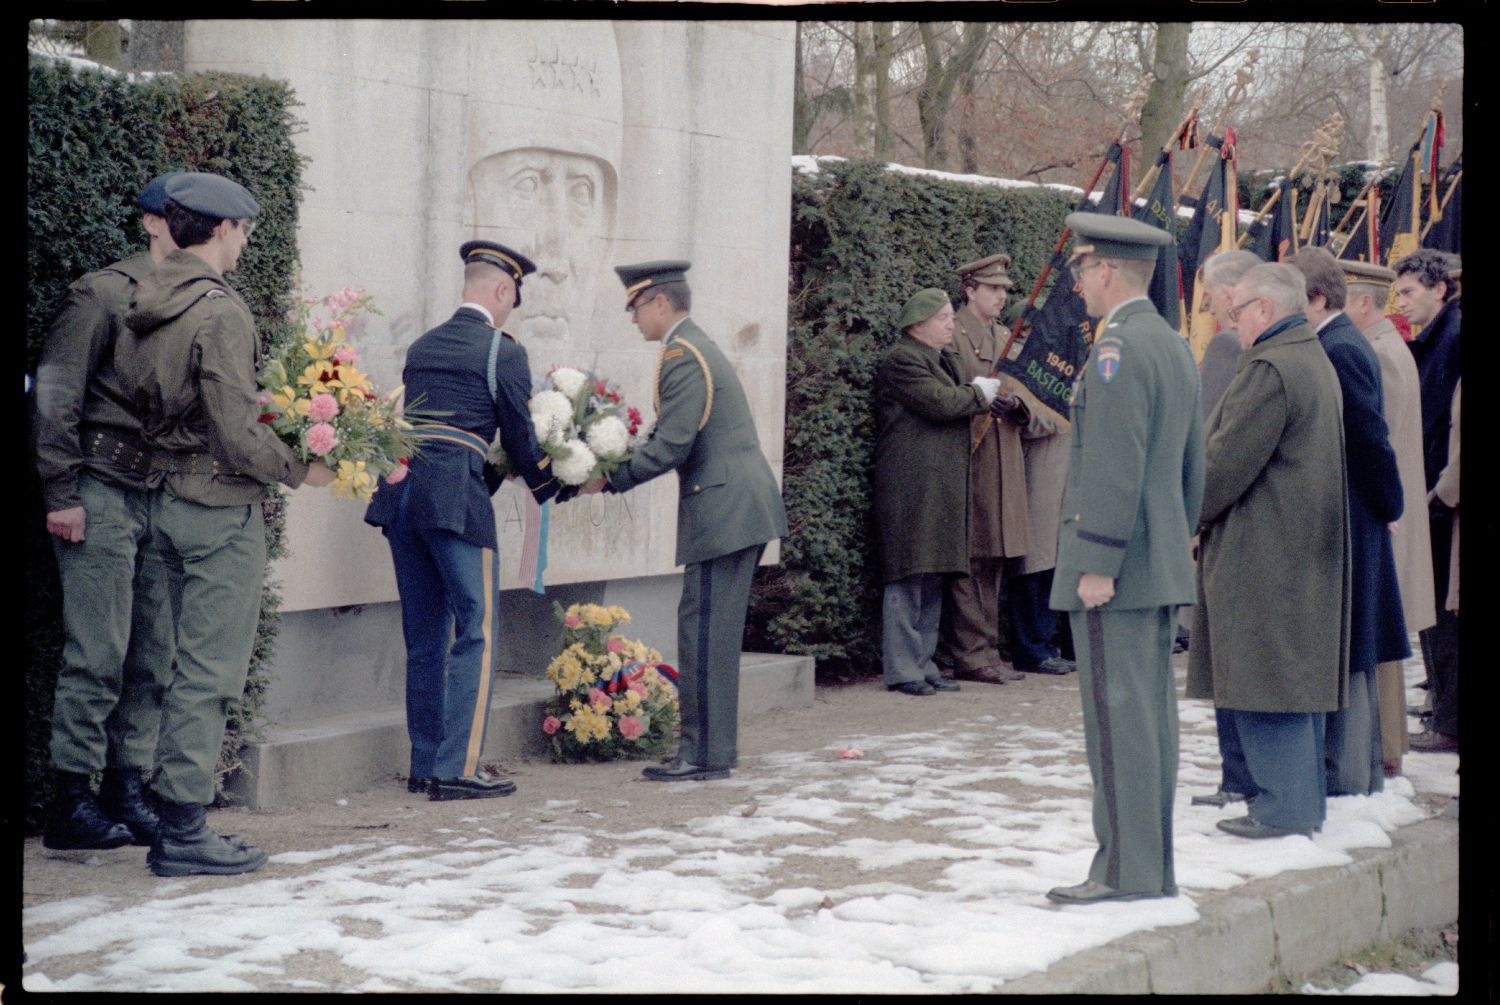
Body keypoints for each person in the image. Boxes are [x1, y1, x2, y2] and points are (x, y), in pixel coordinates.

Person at [115, 172, 336, 875]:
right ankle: (182, 828)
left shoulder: (146, 294)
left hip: (162, 500)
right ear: (219, 229)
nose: (245, 242)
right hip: (217, 509)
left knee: (172, 664)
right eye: (242, 229)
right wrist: (307, 469)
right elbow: (239, 435)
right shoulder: (220, 309)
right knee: (209, 671)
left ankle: (169, 816)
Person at [364, 241, 567, 801]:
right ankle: (459, 768)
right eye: (512, 300)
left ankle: (425, 765)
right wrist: (553, 484)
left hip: (403, 499)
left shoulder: (423, 345)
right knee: (475, 629)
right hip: (457, 501)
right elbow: (520, 438)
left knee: (425, 636)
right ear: (502, 291)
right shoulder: (501, 350)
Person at [1045, 214, 1203, 905]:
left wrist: (1098, 560)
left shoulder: (1118, 351)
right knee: (1148, 722)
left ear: (1106, 269)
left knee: (1119, 723)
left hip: (1119, 567)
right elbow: (1192, 466)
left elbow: (1114, 466)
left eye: (1080, 270)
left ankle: (1123, 872)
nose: (1077, 285)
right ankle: (1148, 867)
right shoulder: (1169, 344)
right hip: (1156, 557)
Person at [32, 173, 183, 851]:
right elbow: (56, 396)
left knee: (153, 651)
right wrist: (61, 492)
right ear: (151, 222)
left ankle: (127, 786)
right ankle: (71, 798)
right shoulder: (101, 293)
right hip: (96, 484)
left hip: (155, 490)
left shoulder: (191, 300)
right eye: (184, 216)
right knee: (98, 650)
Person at [599, 260, 787, 780]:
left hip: (725, 510)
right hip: (732, 507)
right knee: (710, 633)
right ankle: (708, 751)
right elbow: (672, 435)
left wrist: (608, 478)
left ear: (660, 302)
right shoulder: (690, 348)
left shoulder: (683, 355)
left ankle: (702, 755)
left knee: (704, 633)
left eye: (636, 307)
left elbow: (672, 445)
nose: (634, 318)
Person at [1188, 262, 1349, 840]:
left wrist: (1189, 513)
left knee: (1265, 676)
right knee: (1290, 677)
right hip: (1298, 545)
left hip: (1267, 550)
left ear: (1264, 309)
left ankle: (1282, 808)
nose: (1230, 323)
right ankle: (1296, 803)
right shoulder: (1310, 358)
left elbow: (1224, 462)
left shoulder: (1272, 367)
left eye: (1236, 313)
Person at [1290, 247, 1406, 797]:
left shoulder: (1339, 348)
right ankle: (1351, 770)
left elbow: (1369, 438)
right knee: (1353, 640)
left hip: (1356, 511)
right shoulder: (1336, 342)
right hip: (1357, 507)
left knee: (1355, 640)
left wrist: (1388, 506)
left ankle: (1351, 773)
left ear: (1317, 298)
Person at [873, 289, 1000, 698]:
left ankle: (924, 664)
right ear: (918, 325)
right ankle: (903, 668)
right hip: (912, 488)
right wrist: (980, 394)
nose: (951, 324)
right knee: (909, 575)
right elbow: (942, 402)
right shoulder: (902, 359)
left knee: (934, 576)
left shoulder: (942, 359)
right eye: (943, 318)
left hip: (939, 488)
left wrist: (975, 394)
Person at [1340, 259, 1434, 776]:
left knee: (1382, 641)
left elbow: (1379, 445)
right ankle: (1386, 745)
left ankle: (1386, 747)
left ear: (1362, 303)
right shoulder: (1385, 348)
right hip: (1393, 509)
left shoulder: (1376, 354)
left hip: (1385, 514)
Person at [1187, 249, 1272, 810]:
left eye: (1214, 298)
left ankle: (1235, 777)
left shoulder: (1228, 346)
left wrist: (1194, 515)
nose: (1213, 312)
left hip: (1226, 520)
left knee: (1227, 659)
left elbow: (1210, 437)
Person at [935, 254, 1032, 686]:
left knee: (992, 557)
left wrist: (1018, 406)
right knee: (970, 557)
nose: (1001, 296)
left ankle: (984, 649)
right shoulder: (951, 335)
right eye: (993, 289)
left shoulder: (1003, 335)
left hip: (1002, 455)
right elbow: (945, 393)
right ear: (969, 289)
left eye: (1005, 290)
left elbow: (1024, 390)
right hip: (968, 455)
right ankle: (970, 653)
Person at [1392, 250, 1461, 753]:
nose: (1402, 302)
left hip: (1443, 494)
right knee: (1432, 610)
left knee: (1443, 613)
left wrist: (1438, 491)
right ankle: (1441, 701)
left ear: (1440, 289)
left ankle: (1449, 718)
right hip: (1432, 488)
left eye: (1409, 292)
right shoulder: (1436, 337)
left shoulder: (1455, 336)